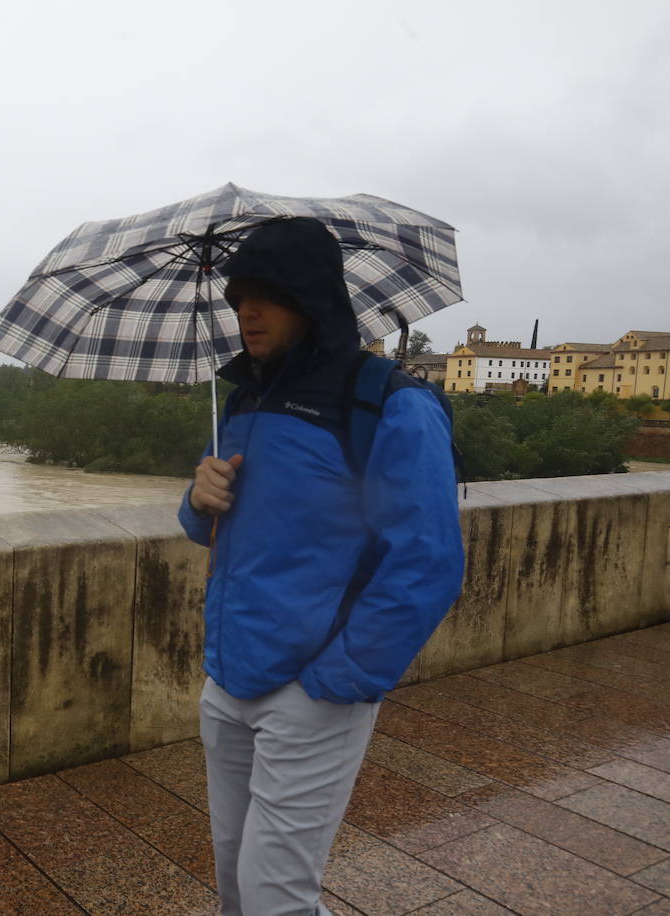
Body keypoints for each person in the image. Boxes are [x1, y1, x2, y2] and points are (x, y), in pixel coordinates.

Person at [177, 217, 464, 916]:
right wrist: (196, 498)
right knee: (236, 883)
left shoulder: (387, 402)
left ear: (311, 299)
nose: (247, 312)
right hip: (229, 677)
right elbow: (217, 529)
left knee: (275, 896)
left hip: (313, 687)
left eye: (267, 295)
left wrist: (335, 682)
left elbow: (425, 562)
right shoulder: (245, 397)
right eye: (238, 298)